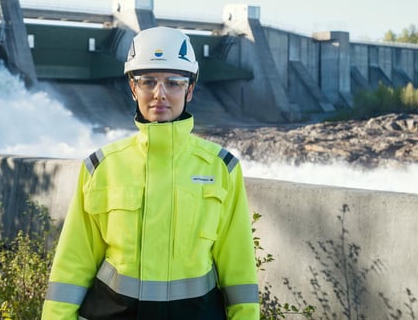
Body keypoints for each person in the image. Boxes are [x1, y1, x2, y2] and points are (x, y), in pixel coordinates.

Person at [42, 26, 259, 319]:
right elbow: (72, 265)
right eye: (147, 82)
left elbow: (240, 272)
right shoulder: (100, 167)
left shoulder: (222, 168)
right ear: (133, 88)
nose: (160, 94)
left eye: (173, 82)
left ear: (190, 89)